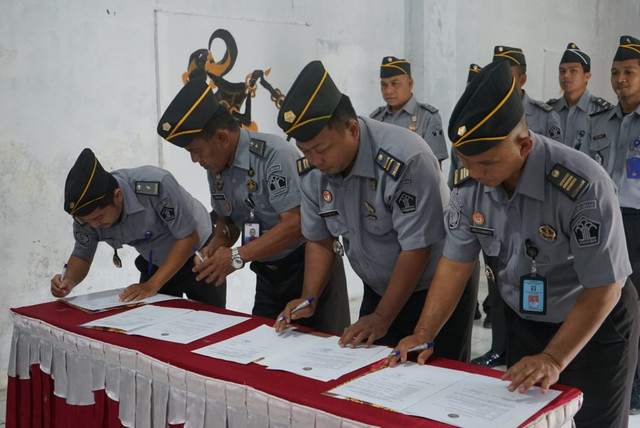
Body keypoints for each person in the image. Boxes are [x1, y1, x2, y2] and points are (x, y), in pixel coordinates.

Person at [389, 59, 639, 428]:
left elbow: (604, 287)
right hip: (526, 321)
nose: (474, 173)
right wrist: (423, 334)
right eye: (465, 160)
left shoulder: (582, 186)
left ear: (523, 146)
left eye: (486, 163)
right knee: (523, 421)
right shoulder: (470, 183)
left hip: (593, 326)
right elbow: (455, 263)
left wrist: (554, 359)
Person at [274, 60, 477, 363]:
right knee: (372, 378)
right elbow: (319, 239)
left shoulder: (406, 159)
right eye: (306, 151)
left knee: (434, 381)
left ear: (352, 130)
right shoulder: (313, 172)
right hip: (379, 286)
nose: (315, 160)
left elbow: (416, 249)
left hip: (432, 289)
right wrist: (309, 297)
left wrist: (383, 316)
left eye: (322, 148)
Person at [157, 78, 350, 335]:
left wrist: (238, 256)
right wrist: (216, 246)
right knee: (262, 351)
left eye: (197, 151)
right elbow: (228, 221)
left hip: (310, 269)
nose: (195, 160)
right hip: (268, 274)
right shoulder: (216, 167)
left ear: (222, 138)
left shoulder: (272, 156)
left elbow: (296, 224)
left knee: (321, 356)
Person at [51, 148, 226, 306]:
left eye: (98, 218)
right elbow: (83, 255)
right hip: (155, 261)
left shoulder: (155, 185)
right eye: (89, 221)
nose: (95, 225)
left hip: (199, 253)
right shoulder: (87, 214)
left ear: (117, 196)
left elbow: (189, 238)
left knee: (212, 324)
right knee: (155, 327)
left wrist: (152, 285)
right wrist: (69, 281)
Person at [588, 35, 640, 414]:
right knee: (607, 297)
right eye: (616, 72)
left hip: (639, 220)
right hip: (607, 220)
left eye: (629, 72)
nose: (620, 79)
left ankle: (636, 382)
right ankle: (608, 370)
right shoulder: (599, 120)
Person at [370, 56, 448, 166]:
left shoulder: (427, 117)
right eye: (384, 85)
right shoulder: (375, 119)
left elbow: (434, 168)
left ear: (410, 84)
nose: (388, 91)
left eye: (395, 84)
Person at [547, 43, 612, 150]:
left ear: (587, 76)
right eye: (562, 71)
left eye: (573, 70)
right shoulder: (549, 111)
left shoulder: (603, 112)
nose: (566, 75)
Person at [493, 45, 563, 142]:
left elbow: (556, 155)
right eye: (496, 77)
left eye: (507, 77)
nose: (500, 82)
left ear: (522, 80)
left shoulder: (546, 117)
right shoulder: (486, 113)